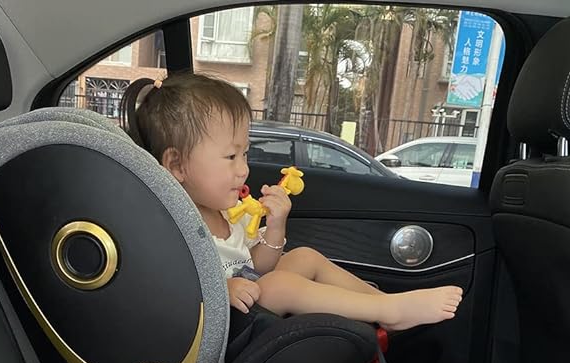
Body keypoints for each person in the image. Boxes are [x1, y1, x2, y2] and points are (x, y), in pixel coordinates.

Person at [119, 73, 462, 331]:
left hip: (250, 299)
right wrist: (221, 289)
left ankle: (385, 304)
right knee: (279, 285)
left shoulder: (227, 212)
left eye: (245, 153)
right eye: (230, 157)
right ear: (177, 165)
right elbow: (170, 292)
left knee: (302, 256)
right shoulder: (170, 226)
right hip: (222, 326)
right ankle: (389, 312)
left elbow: (260, 265)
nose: (244, 169)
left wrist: (277, 224)